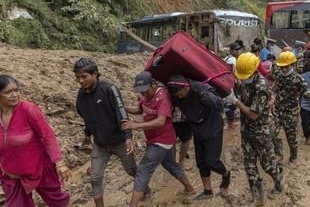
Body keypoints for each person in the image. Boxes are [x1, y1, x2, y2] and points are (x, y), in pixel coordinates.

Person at [121, 71, 195, 207]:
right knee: (170, 165)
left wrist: (136, 126)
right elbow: (139, 109)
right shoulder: (146, 96)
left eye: (145, 90)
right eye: (140, 92)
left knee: (143, 170)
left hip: (162, 140)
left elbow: (161, 121)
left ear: (153, 84)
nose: (143, 94)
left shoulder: (163, 97)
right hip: (155, 139)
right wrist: (122, 107)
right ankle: (190, 189)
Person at [73, 58, 140, 207]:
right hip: (100, 144)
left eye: (84, 76)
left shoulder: (109, 89)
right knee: (95, 177)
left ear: (95, 73)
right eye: (77, 77)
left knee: (132, 170)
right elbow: (87, 116)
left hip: (119, 141)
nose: (80, 81)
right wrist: (87, 134)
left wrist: (128, 137)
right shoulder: (81, 95)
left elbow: (121, 113)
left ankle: (146, 190)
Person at [0, 75, 72, 207]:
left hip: (40, 168)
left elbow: (48, 136)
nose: (14, 95)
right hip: (12, 174)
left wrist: (59, 164)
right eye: (8, 92)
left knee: (59, 203)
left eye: (16, 90)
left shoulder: (28, 109)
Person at [225, 52, 283, 206]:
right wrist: (234, 85)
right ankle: (257, 198)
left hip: (261, 132)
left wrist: (235, 101)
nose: (243, 78)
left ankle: (278, 181)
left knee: (268, 165)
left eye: (245, 75)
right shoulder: (246, 79)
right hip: (246, 131)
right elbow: (241, 87)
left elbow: (253, 115)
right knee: (249, 166)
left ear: (255, 71)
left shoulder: (261, 87)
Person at [166, 74, 231, 200]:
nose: (179, 97)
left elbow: (220, 106)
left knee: (212, 162)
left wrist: (205, 94)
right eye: (176, 96)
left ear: (186, 88)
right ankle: (208, 191)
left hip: (213, 128)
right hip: (197, 129)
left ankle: (226, 173)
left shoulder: (201, 90)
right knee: (201, 162)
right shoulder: (176, 95)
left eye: (180, 94)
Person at [271, 51, 310, 164]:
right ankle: (278, 155)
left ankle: (293, 157)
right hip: (277, 110)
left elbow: (309, 96)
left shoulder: (298, 80)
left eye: (286, 67)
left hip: (291, 114)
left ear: (292, 65)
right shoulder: (278, 74)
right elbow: (275, 85)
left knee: (291, 138)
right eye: (282, 67)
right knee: (272, 133)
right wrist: (271, 94)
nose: (284, 70)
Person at [223, 42, 242, 130]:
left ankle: (229, 123)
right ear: (231, 50)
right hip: (231, 83)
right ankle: (231, 124)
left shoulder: (226, 58)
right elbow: (235, 72)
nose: (237, 51)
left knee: (228, 103)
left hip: (225, 83)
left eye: (238, 49)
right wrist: (238, 82)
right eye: (235, 50)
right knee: (232, 104)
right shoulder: (233, 60)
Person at [172, 106, 192, 171]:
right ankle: (175, 162)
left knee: (186, 139)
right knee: (171, 140)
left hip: (183, 116)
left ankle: (180, 162)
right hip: (171, 115)